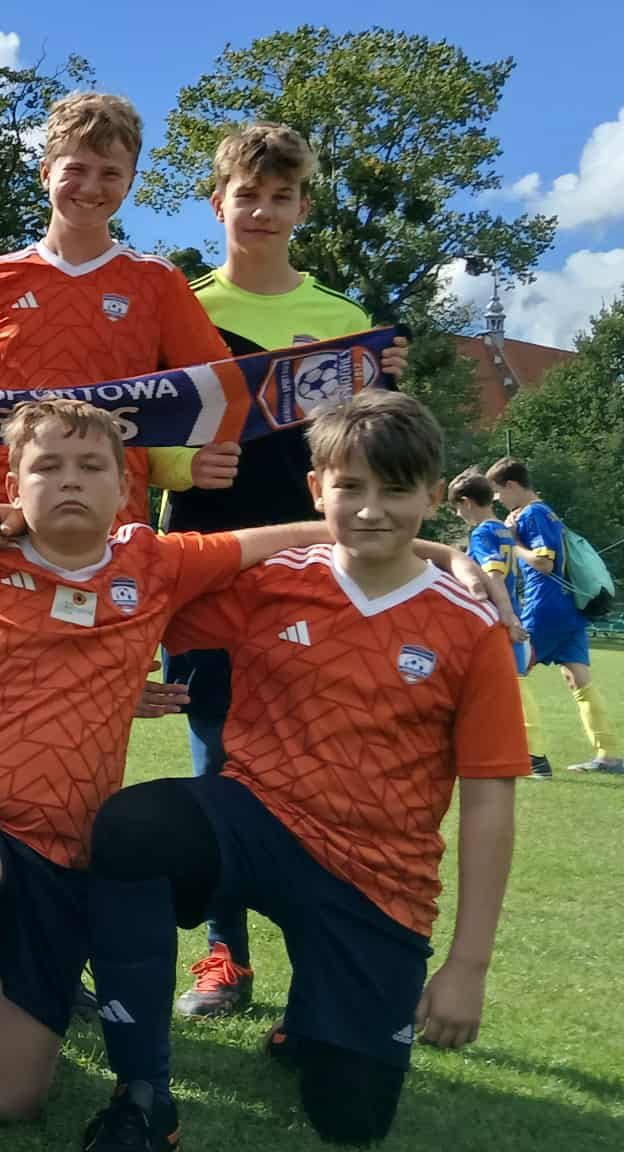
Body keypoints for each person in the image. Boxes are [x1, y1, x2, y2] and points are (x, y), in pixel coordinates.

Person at [0, 398, 390, 1151]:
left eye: (91, 466)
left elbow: (279, 537)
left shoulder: (155, 562)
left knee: (14, 1099)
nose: (69, 480)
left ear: (125, 486)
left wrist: (433, 552)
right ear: (14, 486)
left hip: (64, 849)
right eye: (47, 467)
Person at [82, 391, 525, 1150]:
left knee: (350, 1121)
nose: (371, 509)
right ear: (317, 489)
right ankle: (143, 1093)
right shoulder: (274, 579)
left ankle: (317, 1022)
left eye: (395, 490)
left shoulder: (470, 624)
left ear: (432, 495)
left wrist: (468, 967)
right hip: (257, 816)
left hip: (375, 876)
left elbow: (489, 800)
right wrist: (12, 518)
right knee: (132, 829)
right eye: (350, 486)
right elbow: (135, 582)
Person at [145, 121, 414, 1019]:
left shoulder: (346, 321)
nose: (262, 211)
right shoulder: (175, 306)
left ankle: (326, 963)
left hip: (319, 566)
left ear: (303, 206)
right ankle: (225, 956)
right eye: (246, 195)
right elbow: (133, 441)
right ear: (216, 203)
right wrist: (185, 468)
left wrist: (388, 379)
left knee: (320, 757)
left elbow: (373, 452)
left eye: (281, 196)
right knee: (216, 751)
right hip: (209, 564)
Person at [0, 92, 230, 536]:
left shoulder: (157, 281)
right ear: (46, 173)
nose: (91, 187)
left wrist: (183, 465)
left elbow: (220, 391)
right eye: (76, 170)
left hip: (111, 521)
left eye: (110, 173)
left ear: (130, 182)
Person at [489, 457, 622, 772]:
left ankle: (527, 756)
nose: (498, 499)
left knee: (507, 671)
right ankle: (608, 754)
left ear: (512, 485)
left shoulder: (533, 514)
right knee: (578, 679)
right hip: (568, 610)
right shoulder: (545, 512)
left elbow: (544, 563)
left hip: (545, 608)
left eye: (498, 492)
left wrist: (512, 540)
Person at [449, 470, 543, 776]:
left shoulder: (482, 533)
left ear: (466, 502)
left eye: (457, 507)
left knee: (513, 685)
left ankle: (535, 756)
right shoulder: (502, 529)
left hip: (495, 617)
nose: (458, 514)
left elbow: (494, 575)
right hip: (503, 614)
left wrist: (508, 616)